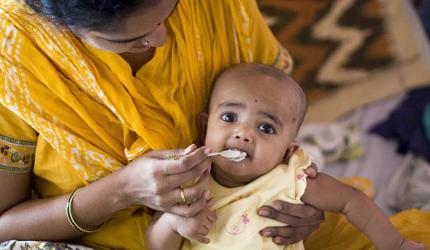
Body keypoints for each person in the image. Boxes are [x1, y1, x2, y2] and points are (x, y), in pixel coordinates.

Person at [0, 1, 323, 249]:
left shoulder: (218, 6)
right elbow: (5, 228)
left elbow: (279, 112)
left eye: (171, 10)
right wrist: (120, 191)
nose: (160, 37)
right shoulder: (12, 61)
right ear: (59, 27)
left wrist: (299, 200)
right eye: (130, 38)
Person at [146, 63, 427, 250]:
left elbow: (352, 201)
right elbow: (155, 245)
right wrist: (173, 223)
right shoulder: (189, 181)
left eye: (266, 127)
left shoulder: (290, 178)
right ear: (206, 127)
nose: (243, 133)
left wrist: (396, 245)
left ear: (288, 148)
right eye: (230, 117)